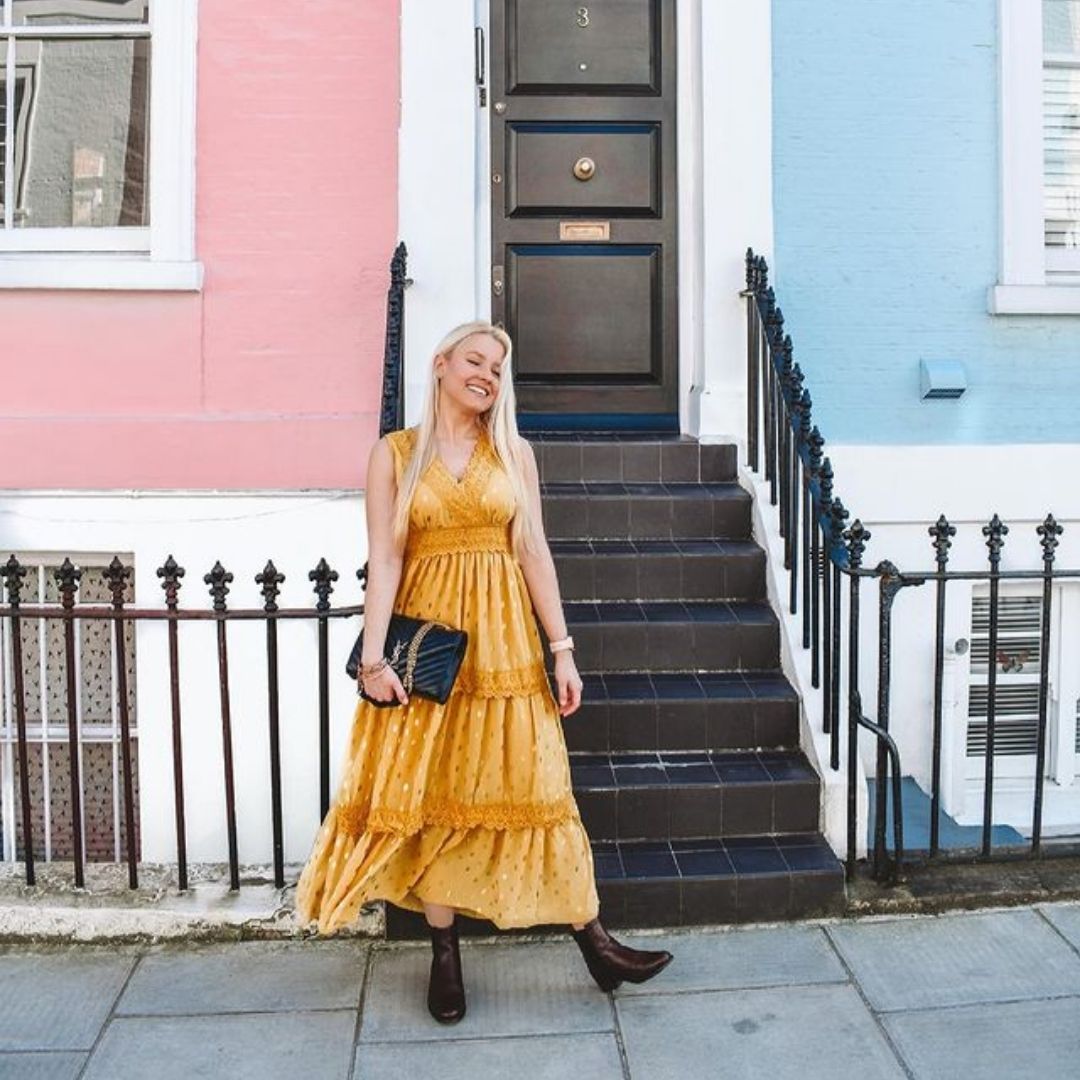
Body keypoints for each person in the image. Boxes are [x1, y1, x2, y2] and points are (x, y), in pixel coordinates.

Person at [295, 319, 672, 1023]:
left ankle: (595, 942)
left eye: (498, 369)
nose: (488, 377)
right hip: (435, 653)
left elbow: (534, 554)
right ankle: (445, 955)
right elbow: (385, 562)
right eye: (476, 361)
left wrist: (561, 649)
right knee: (437, 798)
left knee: (537, 785)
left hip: (504, 648)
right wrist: (372, 660)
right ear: (440, 364)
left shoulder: (513, 453)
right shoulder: (395, 455)